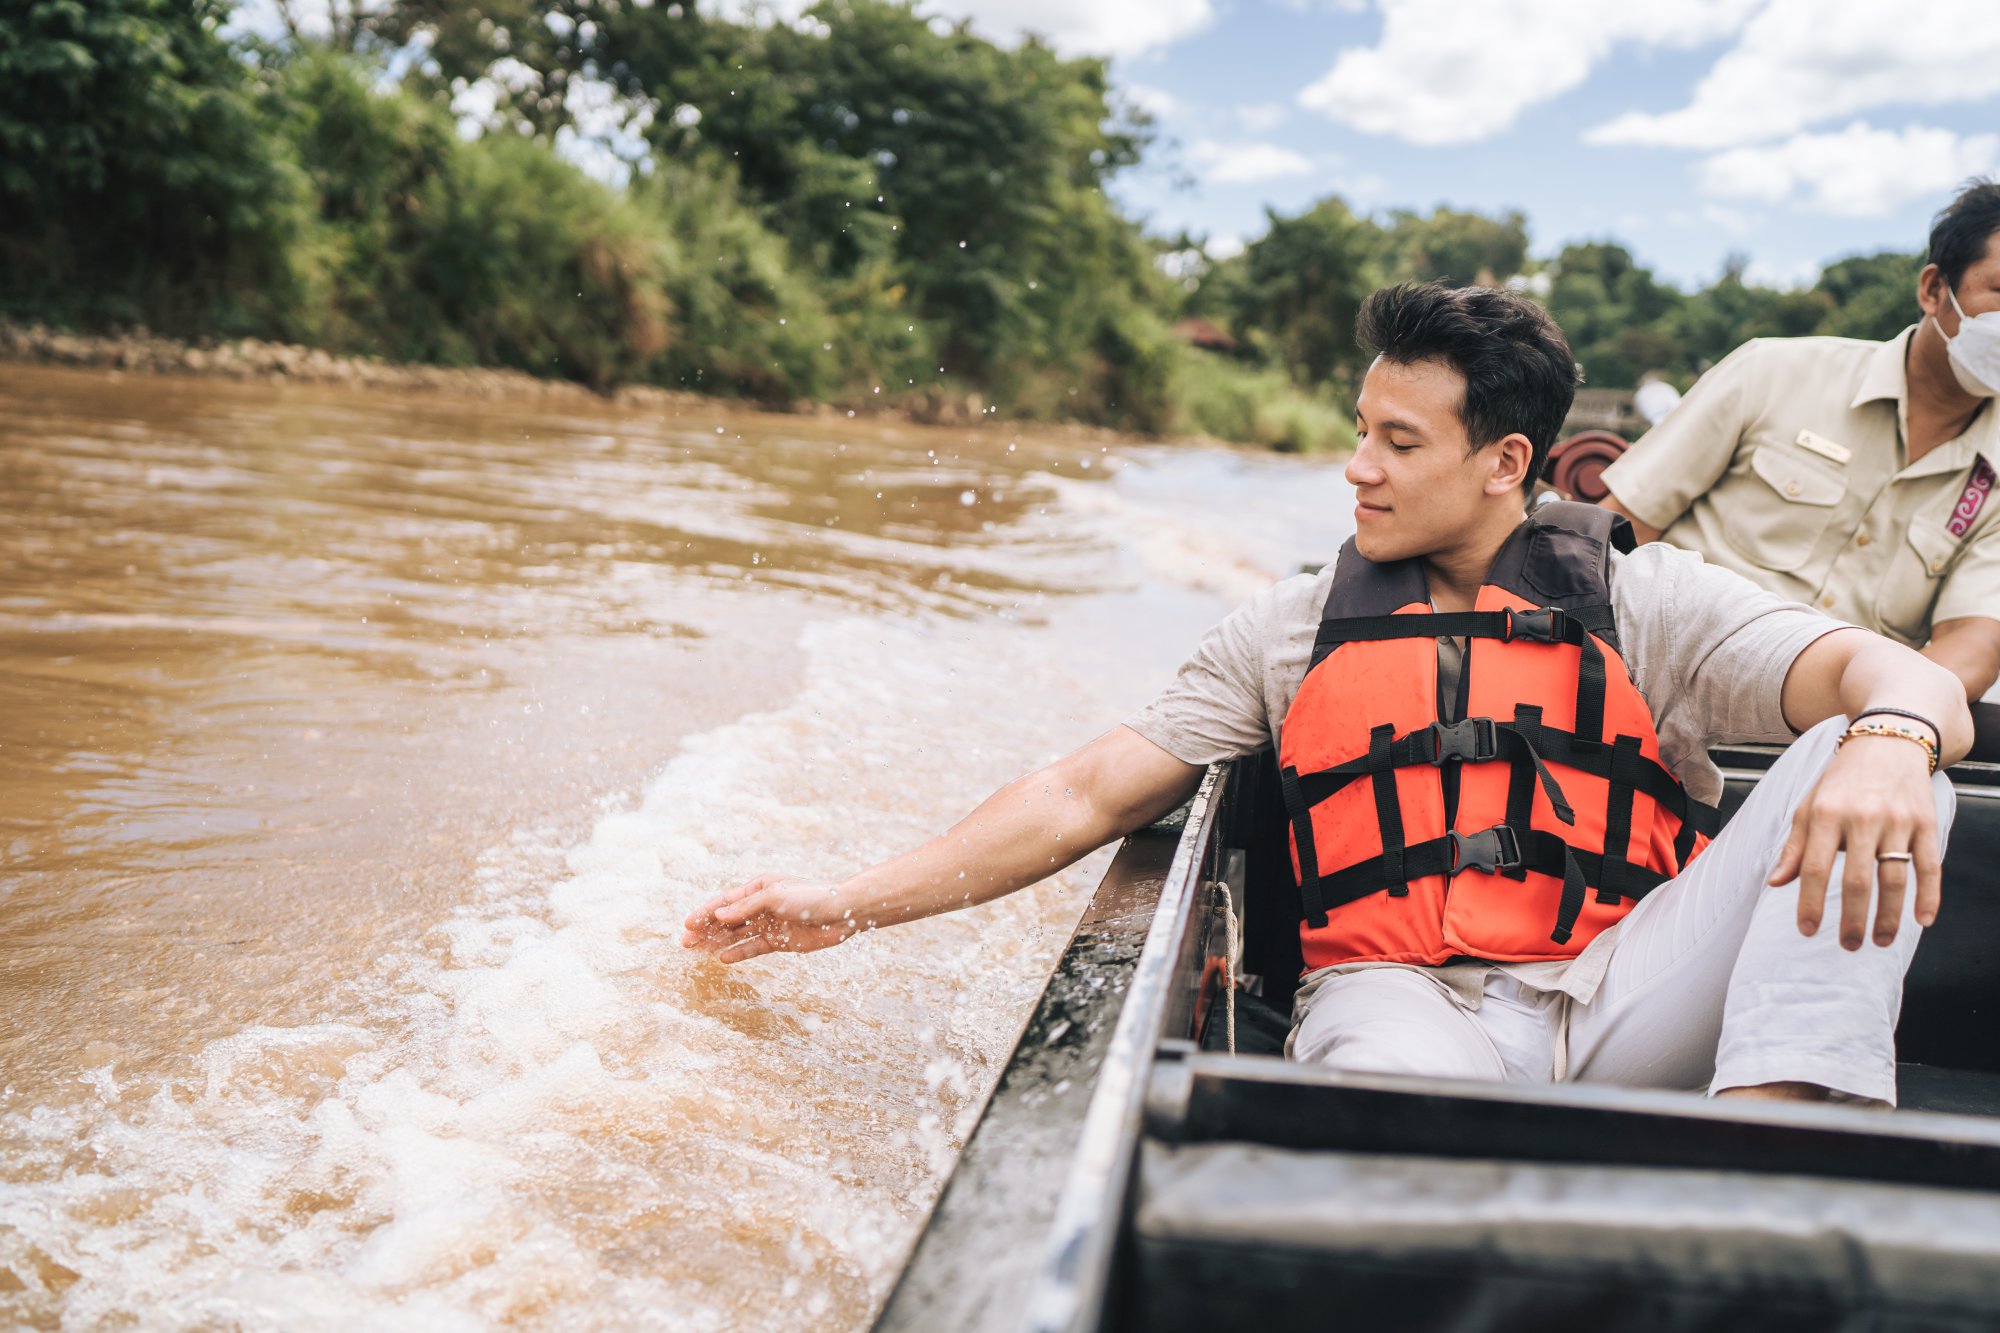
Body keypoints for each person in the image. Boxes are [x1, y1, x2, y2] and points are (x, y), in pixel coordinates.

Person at [684, 283, 1973, 1108]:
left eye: (1398, 443)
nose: (1355, 470)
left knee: (1866, 754)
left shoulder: (1643, 601)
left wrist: (1888, 735)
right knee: (1411, 1147)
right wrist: (842, 904)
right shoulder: (1288, 626)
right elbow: (1082, 789)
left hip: (1618, 991)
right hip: (1399, 1002)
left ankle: (1771, 1162)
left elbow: (1901, 674)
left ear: (1503, 464)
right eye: (1360, 429)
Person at [1599, 180, 2000, 700]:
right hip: (1653, 693)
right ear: (1932, 289)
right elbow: (1621, 534)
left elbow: (1973, 639)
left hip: (1831, 729)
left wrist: (1894, 719)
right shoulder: (1771, 372)